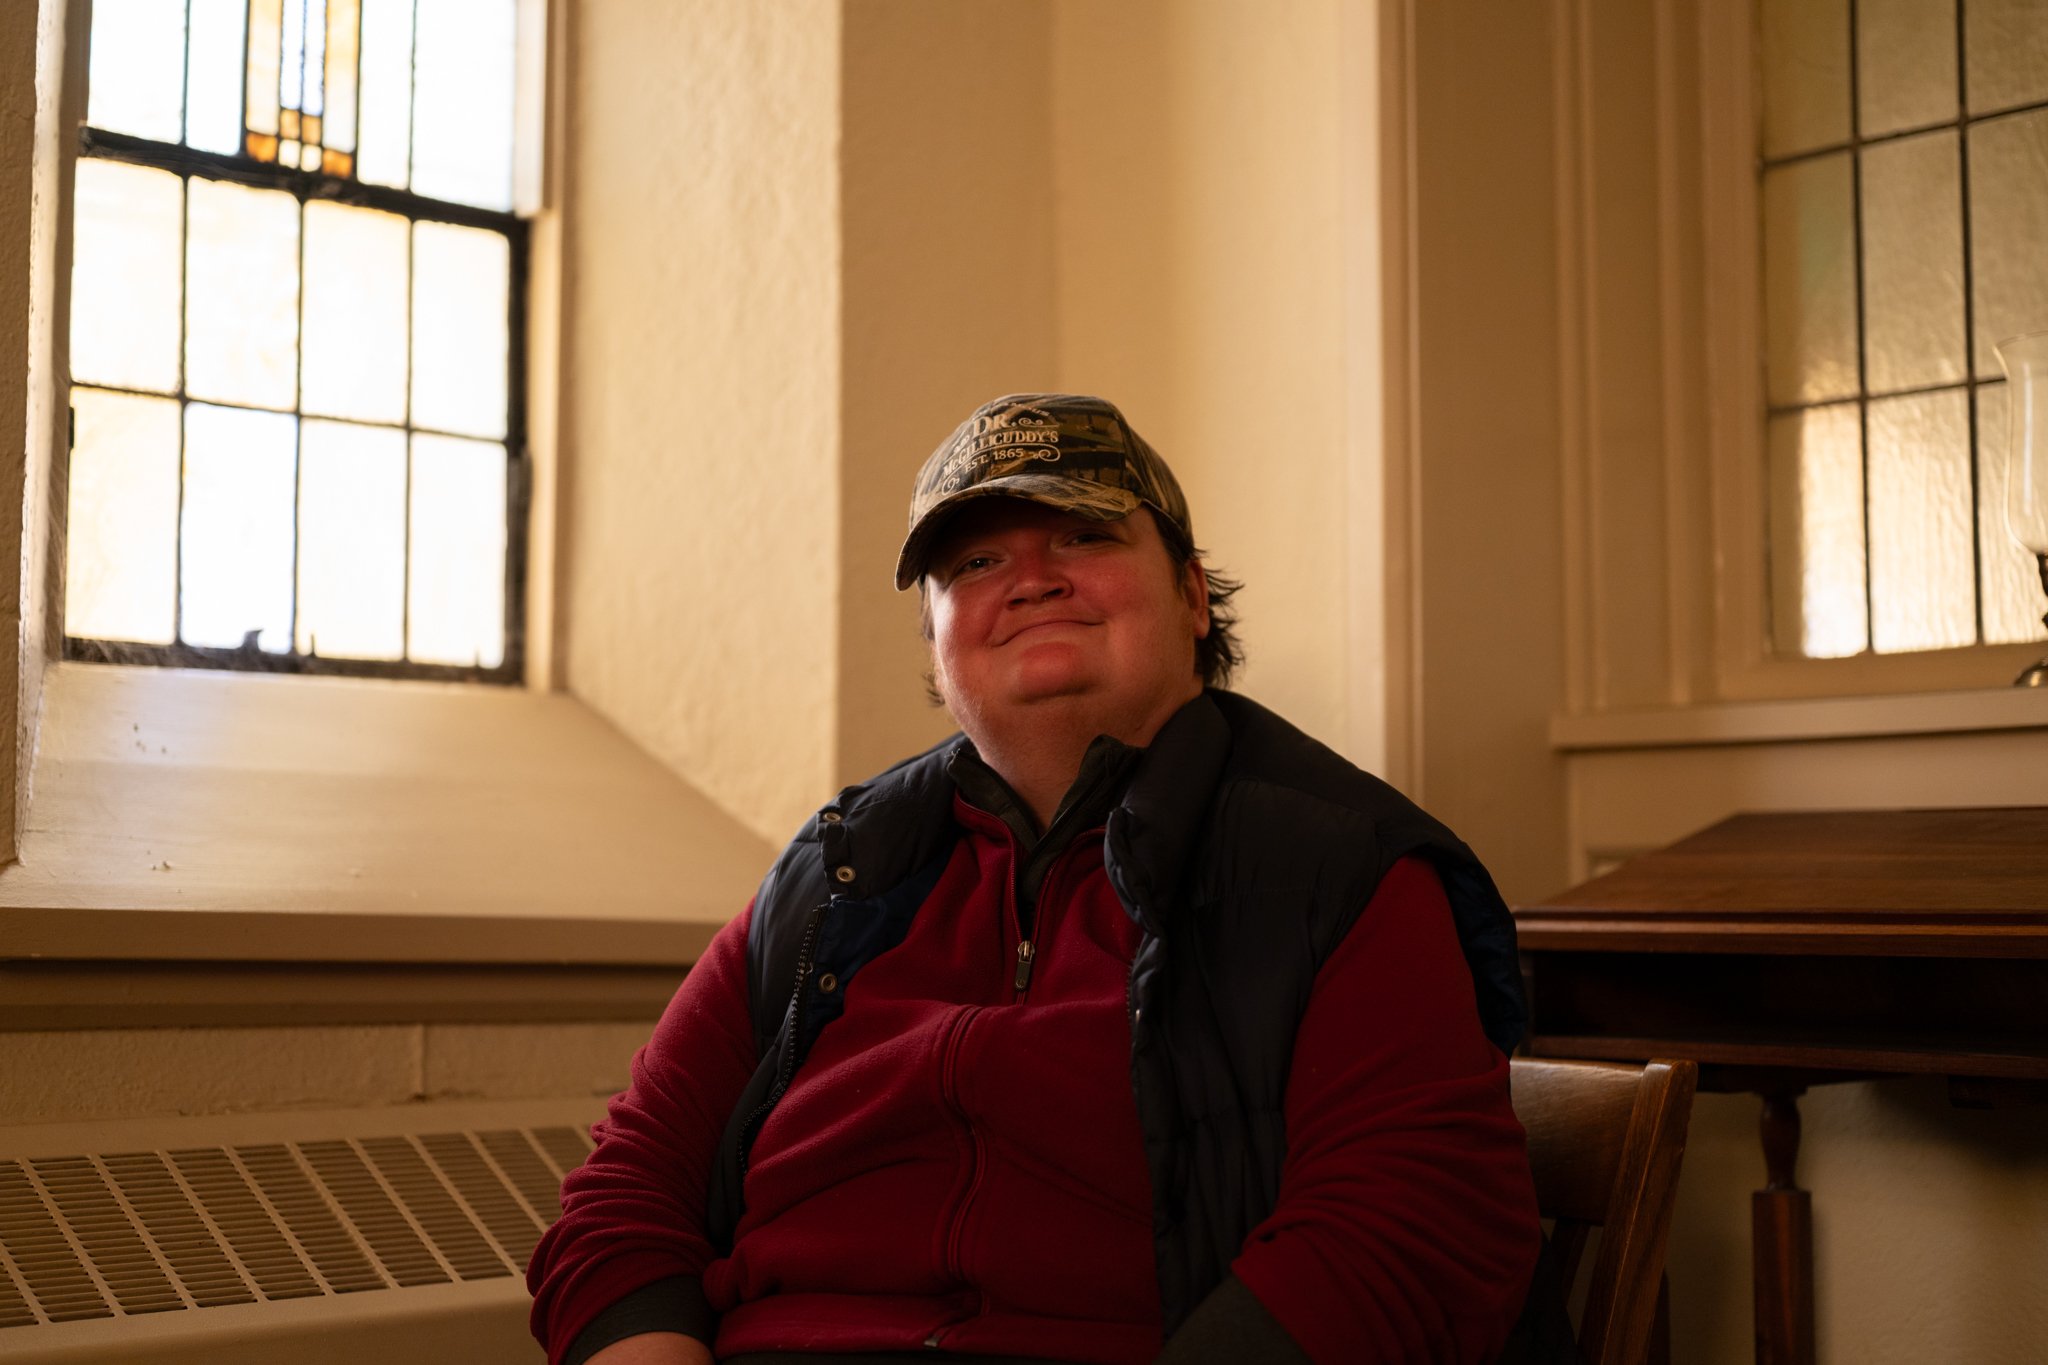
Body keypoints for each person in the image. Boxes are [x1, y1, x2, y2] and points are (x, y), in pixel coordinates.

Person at [527, 394, 1572, 1365]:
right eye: (975, 561)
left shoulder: (1337, 865)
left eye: (1085, 536)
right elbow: (627, 1192)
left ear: (1192, 596)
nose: (1031, 579)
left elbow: (1413, 1225)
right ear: (937, 646)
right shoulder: (831, 877)